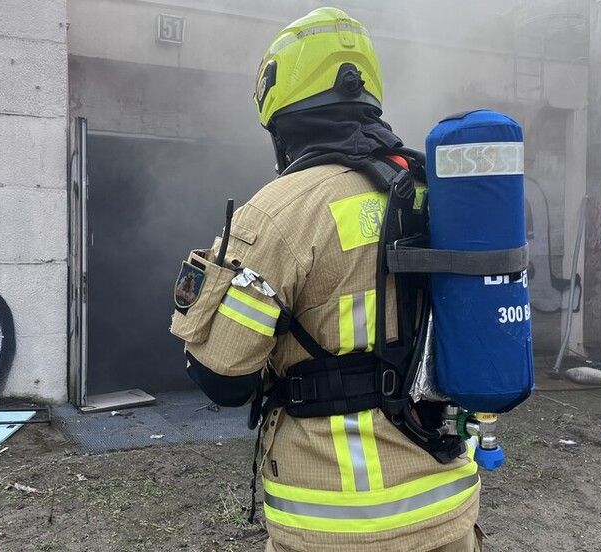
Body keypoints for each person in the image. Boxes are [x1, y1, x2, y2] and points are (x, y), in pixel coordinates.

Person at [170, 8, 482, 552]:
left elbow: (223, 379)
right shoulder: (433, 191)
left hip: (336, 522)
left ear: (282, 116)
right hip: (448, 507)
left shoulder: (279, 214)